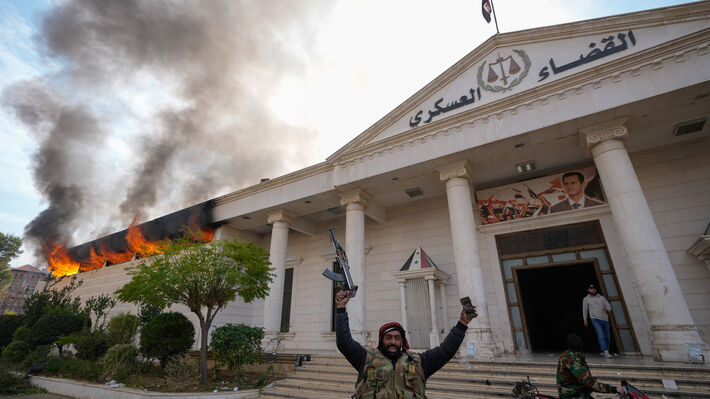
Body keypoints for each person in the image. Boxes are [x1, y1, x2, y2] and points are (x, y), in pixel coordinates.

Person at [335, 289, 475, 398]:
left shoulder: (418, 362)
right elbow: (344, 342)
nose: (393, 342)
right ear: (381, 340)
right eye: (388, 337)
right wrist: (341, 308)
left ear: (402, 341)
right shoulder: (366, 358)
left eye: (397, 338)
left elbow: (446, 351)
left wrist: (462, 324)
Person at [557, 333, 622, 399]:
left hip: (575, 393)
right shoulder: (572, 359)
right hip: (573, 395)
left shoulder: (565, 354)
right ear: (580, 347)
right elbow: (588, 383)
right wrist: (614, 389)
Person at [582, 284, 615, 358]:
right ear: (588, 290)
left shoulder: (602, 298)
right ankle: (605, 351)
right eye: (591, 289)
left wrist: (607, 309)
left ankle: (606, 350)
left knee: (607, 336)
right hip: (595, 319)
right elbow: (585, 310)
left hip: (605, 319)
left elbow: (609, 307)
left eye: (594, 289)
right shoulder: (586, 299)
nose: (593, 290)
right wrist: (585, 320)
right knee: (601, 335)